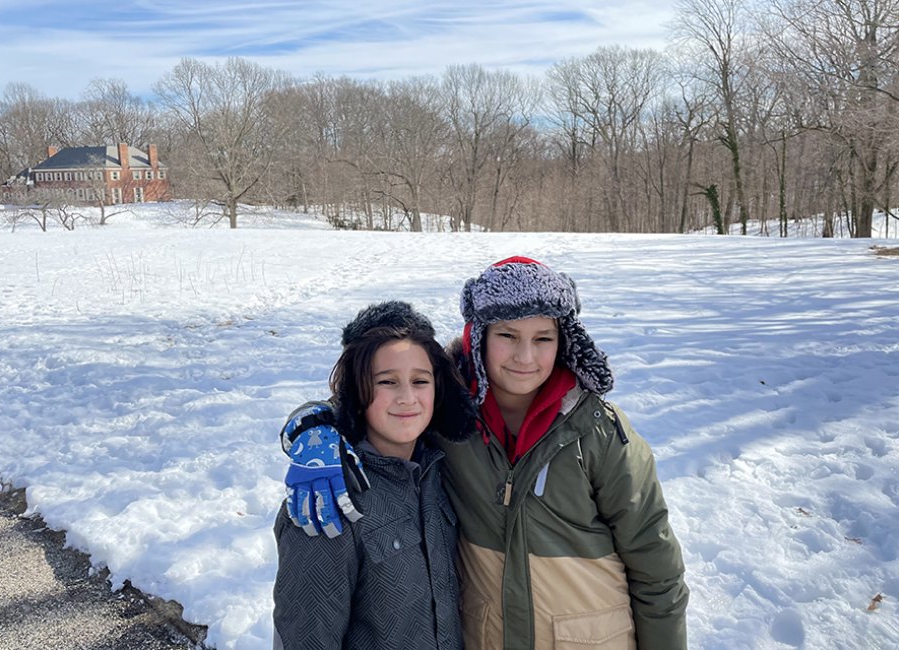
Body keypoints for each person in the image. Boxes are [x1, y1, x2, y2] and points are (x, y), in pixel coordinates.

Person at [281, 257, 689, 649]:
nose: (525, 357)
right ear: (479, 339)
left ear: (563, 342)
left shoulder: (598, 430)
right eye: (507, 336)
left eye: (543, 338)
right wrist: (315, 429)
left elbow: (657, 571)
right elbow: (376, 392)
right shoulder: (451, 423)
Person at [273, 300, 476, 650]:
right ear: (358, 390)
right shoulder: (331, 497)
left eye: (420, 381)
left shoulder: (438, 470)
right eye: (387, 381)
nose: (407, 398)